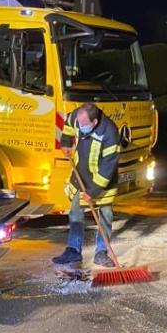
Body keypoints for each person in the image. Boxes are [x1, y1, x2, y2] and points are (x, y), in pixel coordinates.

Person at [52, 103, 120, 268]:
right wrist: (66, 142)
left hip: (102, 182)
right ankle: (73, 251)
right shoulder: (78, 116)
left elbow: (107, 167)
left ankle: (101, 252)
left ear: (95, 122)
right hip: (80, 175)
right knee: (75, 212)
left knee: (105, 215)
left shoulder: (110, 132)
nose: (80, 128)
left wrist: (93, 191)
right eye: (79, 124)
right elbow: (68, 125)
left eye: (84, 126)